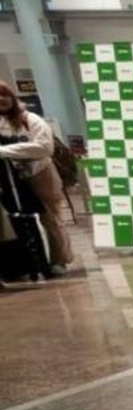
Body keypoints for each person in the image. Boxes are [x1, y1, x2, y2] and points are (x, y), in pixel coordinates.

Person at [0, 80, 73, 272]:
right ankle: (29, 264)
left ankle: (59, 260)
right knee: (17, 222)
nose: (1, 99)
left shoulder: (30, 119)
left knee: (51, 219)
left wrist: (5, 150)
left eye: (4, 94)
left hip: (41, 173)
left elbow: (44, 147)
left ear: (12, 97)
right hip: (13, 179)